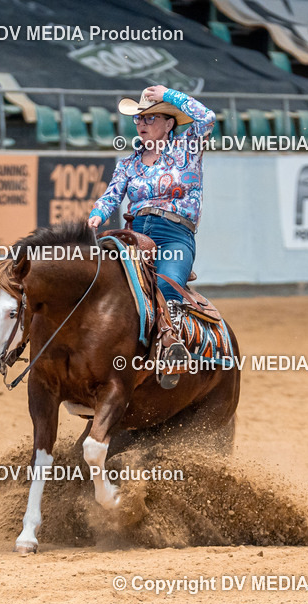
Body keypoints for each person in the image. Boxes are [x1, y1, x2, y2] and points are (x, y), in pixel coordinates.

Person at [87, 85, 215, 388]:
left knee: (168, 286)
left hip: (174, 235)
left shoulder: (188, 148)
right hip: (133, 236)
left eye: (149, 118)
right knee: (101, 286)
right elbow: (110, 197)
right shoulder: (129, 163)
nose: (141, 125)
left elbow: (207, 118)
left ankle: (170, 348)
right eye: (138, 120)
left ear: (169, 123)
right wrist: (96, 215)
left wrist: (169, 95)